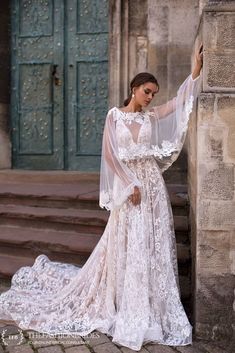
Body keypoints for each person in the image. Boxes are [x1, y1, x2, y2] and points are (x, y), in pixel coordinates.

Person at [0, 45, 203, 351]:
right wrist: (128, 183)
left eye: (153, 94)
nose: (150, 98)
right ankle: (124, 301)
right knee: (127, 244)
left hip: (152, 188)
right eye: (147, 91)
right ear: (134, 89)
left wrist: (195, 72)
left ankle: (151, 304)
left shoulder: (149, 117)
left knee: (150, 245)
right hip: (130, 188)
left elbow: (178, 104)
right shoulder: (114, 117)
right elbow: (110, 156)